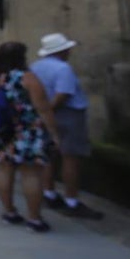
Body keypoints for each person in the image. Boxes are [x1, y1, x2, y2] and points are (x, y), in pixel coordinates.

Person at [0, 41, 60, 232]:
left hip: (1, 132)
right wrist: (54, 133)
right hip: (27, 131)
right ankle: (34, 218)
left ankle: (9, 212)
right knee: (31, 173)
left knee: (4, 170)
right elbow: (43, 108)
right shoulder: (27, 78)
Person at [33, 32, 104, 220]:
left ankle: (49, 193)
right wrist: (49, 110)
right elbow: (62, 94)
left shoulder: (35, 68)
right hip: (67, 115)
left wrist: (42, 113)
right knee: (70, 157)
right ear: (62, 50)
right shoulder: (63, 69)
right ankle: (71, 200)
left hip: (43, 114)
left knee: (49, 156)